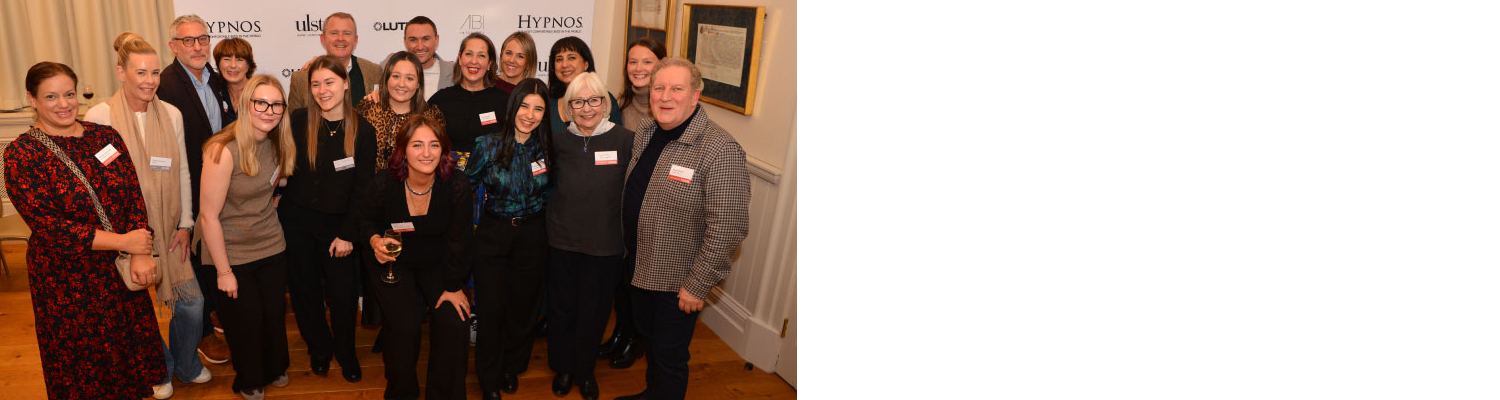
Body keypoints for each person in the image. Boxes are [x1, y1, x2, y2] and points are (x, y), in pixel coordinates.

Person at [4, 61, 165, 400]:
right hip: (67, 280)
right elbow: (50, 226)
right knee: (85, 368)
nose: (64, 104)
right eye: (51, 96)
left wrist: (140, 252)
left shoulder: (104, 137)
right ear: (32, 99)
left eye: (69, 94)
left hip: (118, 270)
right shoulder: (22, 154)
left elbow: (132, 195)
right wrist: (124, 241)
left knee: (129, 359)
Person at [613, 58, 750, 400]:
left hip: (678, 283)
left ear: (695, 95)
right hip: (639, 265)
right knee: (650, 343)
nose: (665, 96)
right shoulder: (647, 131)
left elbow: (728, 227)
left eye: (676, 88)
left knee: (669, 357)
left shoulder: (720, 149)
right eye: (659, 88)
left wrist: (697, 285)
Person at [82, 32, 208, 399]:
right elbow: (96, 184)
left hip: (169, 227)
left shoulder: (171, 114)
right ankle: (160, 368)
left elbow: (182, 171)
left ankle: (186, 364)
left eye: (154, 72)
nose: (150, 80)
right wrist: (121, 239)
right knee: (138, 309)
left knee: (192, 304)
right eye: (140, 72)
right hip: (125, 234)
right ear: (121, 73)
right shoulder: (100, 116)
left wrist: (185, 224)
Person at [355, 114, 473, 400]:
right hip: (392, 260)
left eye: (434, 145)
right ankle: (401, 391)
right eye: (417, 145)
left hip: (437, 260)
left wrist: (454, 286)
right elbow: (365, 220)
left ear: (444, 150)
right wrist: (375, 241)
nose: (426, 153)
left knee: (455, 321)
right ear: (403, 150)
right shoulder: (385, 182)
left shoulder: (456, 183)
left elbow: (460, 239)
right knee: (404, 326)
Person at [199, 74, 297, 400]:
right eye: (261, 103)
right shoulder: (222, 150)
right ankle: (251, 378)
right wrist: (223, 271)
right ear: (245, 104)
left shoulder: (277, 142)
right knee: (247, 321)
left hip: (271, 244)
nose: (269, 111)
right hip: (231, 252)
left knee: (273, 315)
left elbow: (271, 188)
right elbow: (208, 216)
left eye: (277, 105)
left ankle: (275, 366)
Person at [282, 55, 376, 384]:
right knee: (304, 291)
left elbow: (363, 190)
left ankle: (346, 352)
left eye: (330, 82)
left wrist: (349, 234)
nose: (323, 90)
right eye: (316, 84)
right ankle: (319, 348)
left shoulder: (363, 130)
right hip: (297, 225)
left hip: (340, 228)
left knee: (344, 294)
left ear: (346, 83)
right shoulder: (297, 121)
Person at [545, 72, 635, 400]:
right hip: (562, 241)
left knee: (593, 313)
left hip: (606, 245)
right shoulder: (558, 143)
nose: (586, 108)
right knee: (561, 309)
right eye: (578, 102)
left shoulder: (626, 141)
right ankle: (563, 369)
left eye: (594, 100)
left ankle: (584, 372)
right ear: (568, 109)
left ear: (605, 104)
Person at [466, 78, 554, 400]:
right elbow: (464, 187)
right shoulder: (487, 145)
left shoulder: (547, 148)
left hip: (533, 235)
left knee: (524, 306)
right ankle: (489, 377)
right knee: (491, 308)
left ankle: (511, 367)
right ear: (513, 106)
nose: (529, 115)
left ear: (545, 115)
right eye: (524, 106)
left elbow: (552, 192)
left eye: (538, 109)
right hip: (495, 233)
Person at [156, 13, 234, 365]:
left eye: (203, 39)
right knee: (192, 262)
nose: (198, 46)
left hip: (218, 184)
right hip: (185, 189)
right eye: (188, 40)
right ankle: (201, 333)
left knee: (212, 254)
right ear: (173, 46)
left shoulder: (215, 78)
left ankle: (214, 315)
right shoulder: (165, 85)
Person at [600, 36, 667, 370]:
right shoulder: (619, 106)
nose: (638, 68)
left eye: (647, 62)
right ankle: (620, 333)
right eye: (633, 61)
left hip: (650, 209)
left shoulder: (665, 110)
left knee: (640, 280)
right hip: (620, 205)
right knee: (622, 278)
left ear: (661, 66)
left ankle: (635, 340)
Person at [428, 32, 508, 170]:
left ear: (489, 63)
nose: (474, 61)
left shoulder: (504, 101)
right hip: (446, 177)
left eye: (481, 55)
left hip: (488, 179)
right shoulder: (440, 100)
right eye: (469, 54)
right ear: (460, 58)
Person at [358, 51, 447, 174]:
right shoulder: (367, 109)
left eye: (409, 78)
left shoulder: (431, 118)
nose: (401, 84)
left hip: (410, 185)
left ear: (418, 84)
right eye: (396, 76)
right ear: (386, 79)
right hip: (368, 184)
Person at [289, 12, 382, 112]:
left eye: (347, 33)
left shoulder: (374, 71)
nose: (340, 38)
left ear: (355, 40)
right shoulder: (301, 78)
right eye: (334, 33)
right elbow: (293, 119)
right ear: (323, 39)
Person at [545, 36, 621, 135]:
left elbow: (617, 138)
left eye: (571, 58)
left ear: (586, 64)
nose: (564, 65)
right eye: (559, 59)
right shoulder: (547, 102)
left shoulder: (605, 98)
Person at [389, 16, 452, 101]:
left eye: (426, 39)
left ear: (436, 40)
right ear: (405, 41)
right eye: (413, 40)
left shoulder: (455, 72)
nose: (420, 47)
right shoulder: (389, 65)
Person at [213, 37, 256, 119]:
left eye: (239, 60)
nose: (233, 65)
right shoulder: (215, 93)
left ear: (248, 65)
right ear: (218, 64)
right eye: (227, 59)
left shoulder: (259, 92)